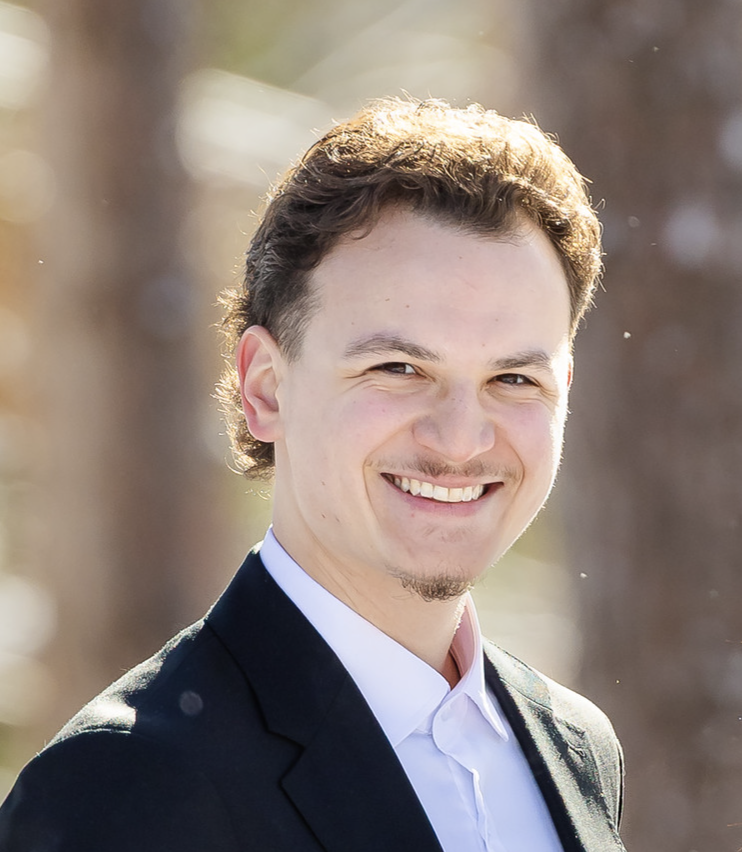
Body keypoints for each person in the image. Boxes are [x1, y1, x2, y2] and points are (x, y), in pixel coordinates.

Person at [0, 97, 626, 851]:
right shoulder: (123, 786)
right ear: (266, 387)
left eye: (515, 380)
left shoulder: (576, 747)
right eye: (398, 368)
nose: (461, 439)